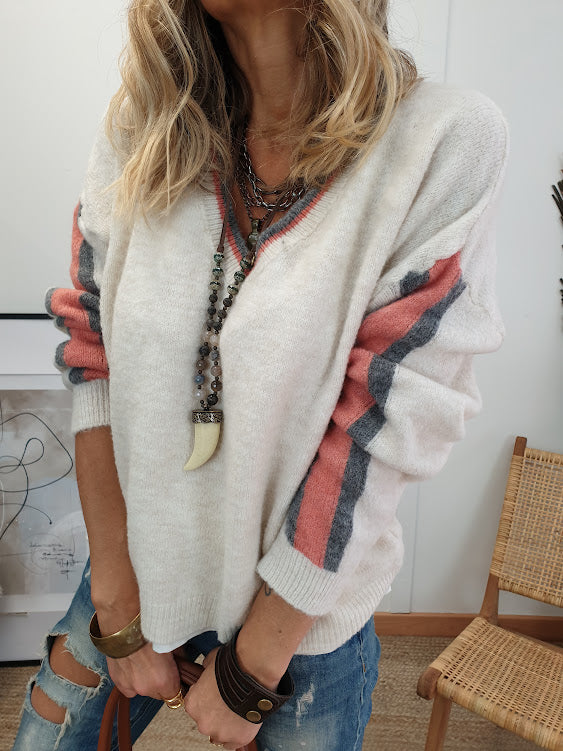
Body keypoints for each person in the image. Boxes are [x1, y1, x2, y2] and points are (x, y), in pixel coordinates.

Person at [11, 0, 508, 749]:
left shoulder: (444, 140)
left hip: (299, 620)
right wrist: (114, 595)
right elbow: (93, 351)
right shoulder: (142, 126)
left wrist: (253, 665)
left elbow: (381, 422)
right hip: (133, 567)